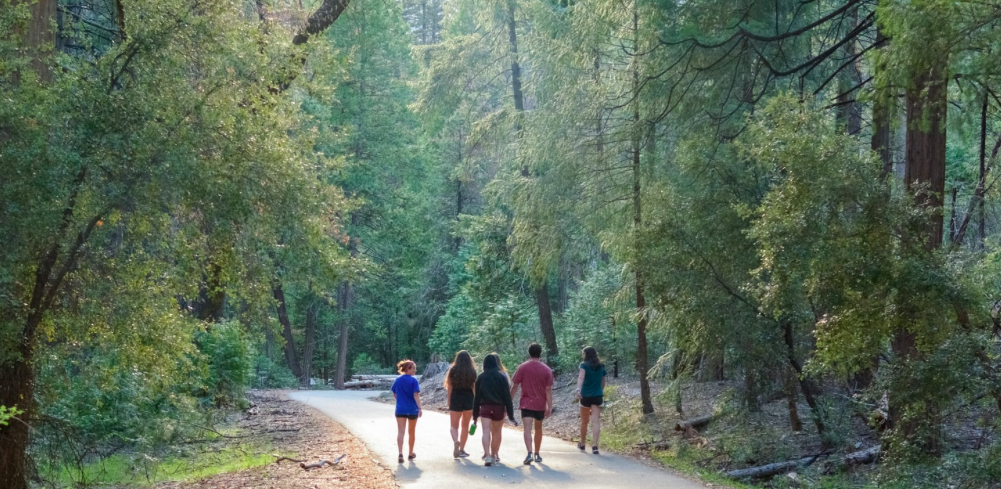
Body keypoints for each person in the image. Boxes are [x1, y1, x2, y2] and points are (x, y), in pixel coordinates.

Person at [510, 343, 553, 465]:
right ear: (540, 353)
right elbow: (548, 389)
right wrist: (549, 406)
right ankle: (537, 454)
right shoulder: (547, 370)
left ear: (529, 353)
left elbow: (515, 386)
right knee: (538, 429)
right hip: (540, 404)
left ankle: (529, 452)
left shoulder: (522, 367)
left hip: (526, 403)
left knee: (527, 429)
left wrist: (509, 400)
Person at [472, 352, 516, 466]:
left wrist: (475, 416)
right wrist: (511, 415)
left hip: (485, 407)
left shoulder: (481, 377)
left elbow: (477, 398)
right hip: (499, 408)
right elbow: (507, 397)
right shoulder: (501, 377)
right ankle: (493, 455)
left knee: (486, 431)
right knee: (497, 432)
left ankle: (486, 456)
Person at [445, 350, 477, 458]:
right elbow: (474, 388)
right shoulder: (472, 371)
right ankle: (462, 449)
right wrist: (476, 401)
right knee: (465, 426)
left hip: (456, 398)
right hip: (469, 399)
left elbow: (450, 387)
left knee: (454, 426)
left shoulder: (453, 370)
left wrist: (449, 400)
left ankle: (456, 441)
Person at [575, 346, 606, 455]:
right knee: (596, 421)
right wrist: (600, 390)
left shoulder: (583, 365)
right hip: (597, 396)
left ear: (586, 354)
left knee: (584, 422)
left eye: (583, 354)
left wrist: (578, 389)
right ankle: (595, 446)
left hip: (585, 396)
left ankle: (583, 444)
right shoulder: (601, 366)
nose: (582, 355)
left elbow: (581, 378)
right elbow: (603, 381)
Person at [391, 359, 422, 464]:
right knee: (411, 432)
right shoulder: (414, 381)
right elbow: (416, 395)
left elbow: (395, 394)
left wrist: (400, 402)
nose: (415, 370)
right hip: (412, 409)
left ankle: (400, 453)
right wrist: (420, 408)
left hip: (400, 409)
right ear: (408, 369)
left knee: (401, 431)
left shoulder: (398, 380)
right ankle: (410, 453)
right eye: (413, 368)